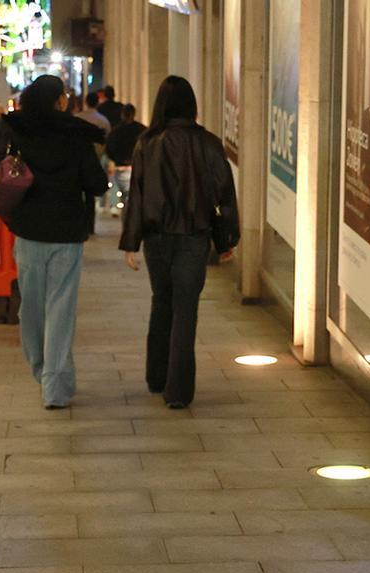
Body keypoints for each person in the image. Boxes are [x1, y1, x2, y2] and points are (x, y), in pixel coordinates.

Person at [0, 75, 109, 409]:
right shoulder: (75, 136)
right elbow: (97, 184)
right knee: (60, 308)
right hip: (66, 233)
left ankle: (41, 369)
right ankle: (54, 384)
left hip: (28, 232)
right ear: (57, 101)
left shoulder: (17, 132)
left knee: (32, 306)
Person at [119, 76, 240, 409]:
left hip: (157, 239)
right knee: (186, 311)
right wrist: (226, 238)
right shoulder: (209, 144)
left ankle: (156, 377)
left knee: (162, 302)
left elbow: (137, 196)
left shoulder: (147, 143)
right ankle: (178, 391)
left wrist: (131, 241)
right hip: (193, 237)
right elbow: (224, 196)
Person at [104, 103, 145, 217]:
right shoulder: (141, 130)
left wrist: (116, 159)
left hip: (120, 166)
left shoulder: (116, 131)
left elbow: (109, 149)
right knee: (132, 198)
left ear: (122, 115)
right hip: (135, 166)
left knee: (122, 196)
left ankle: (122, 215)